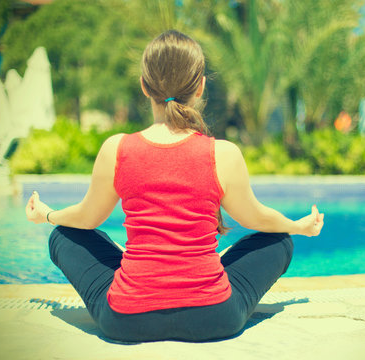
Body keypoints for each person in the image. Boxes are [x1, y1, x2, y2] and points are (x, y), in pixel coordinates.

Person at [26, 30, 324, 343]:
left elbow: (86, 219)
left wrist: (47, 215)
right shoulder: (223, 153)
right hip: (215, 318)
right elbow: (258, 219)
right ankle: (200, 273)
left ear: (144, 85)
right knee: (279, 241)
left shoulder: (117, 149)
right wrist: (297, 227)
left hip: (127, 321)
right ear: (200, 87)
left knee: (64, 236)